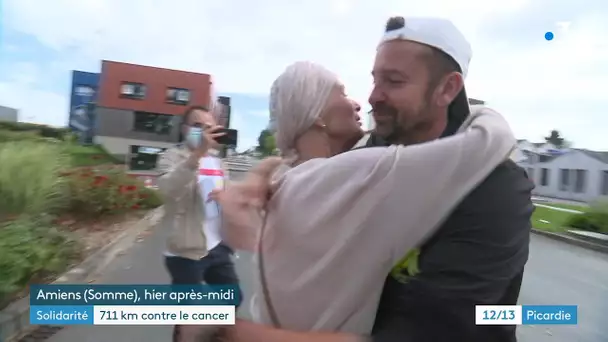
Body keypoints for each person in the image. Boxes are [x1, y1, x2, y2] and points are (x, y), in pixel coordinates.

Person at [218, 16, 534, 342]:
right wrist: (263, 182)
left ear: (447, 89)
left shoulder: (494, 190)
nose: (372, 97)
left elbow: (432, 333)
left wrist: (239, 335)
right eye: (375, 80)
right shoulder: (366, 154)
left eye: (394, 82)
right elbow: (304, 171)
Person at [156, 105, 242, 342]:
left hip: (217, 246)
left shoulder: (218, 162)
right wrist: (196, 156)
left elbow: (227, 194)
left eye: (208, 127)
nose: (204, 132)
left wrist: (229, 198)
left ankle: (210, 334)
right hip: (185, 251)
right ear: (185, 129)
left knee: (232, 298)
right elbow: (167, 188)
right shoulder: (171, 157)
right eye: (197, 126)